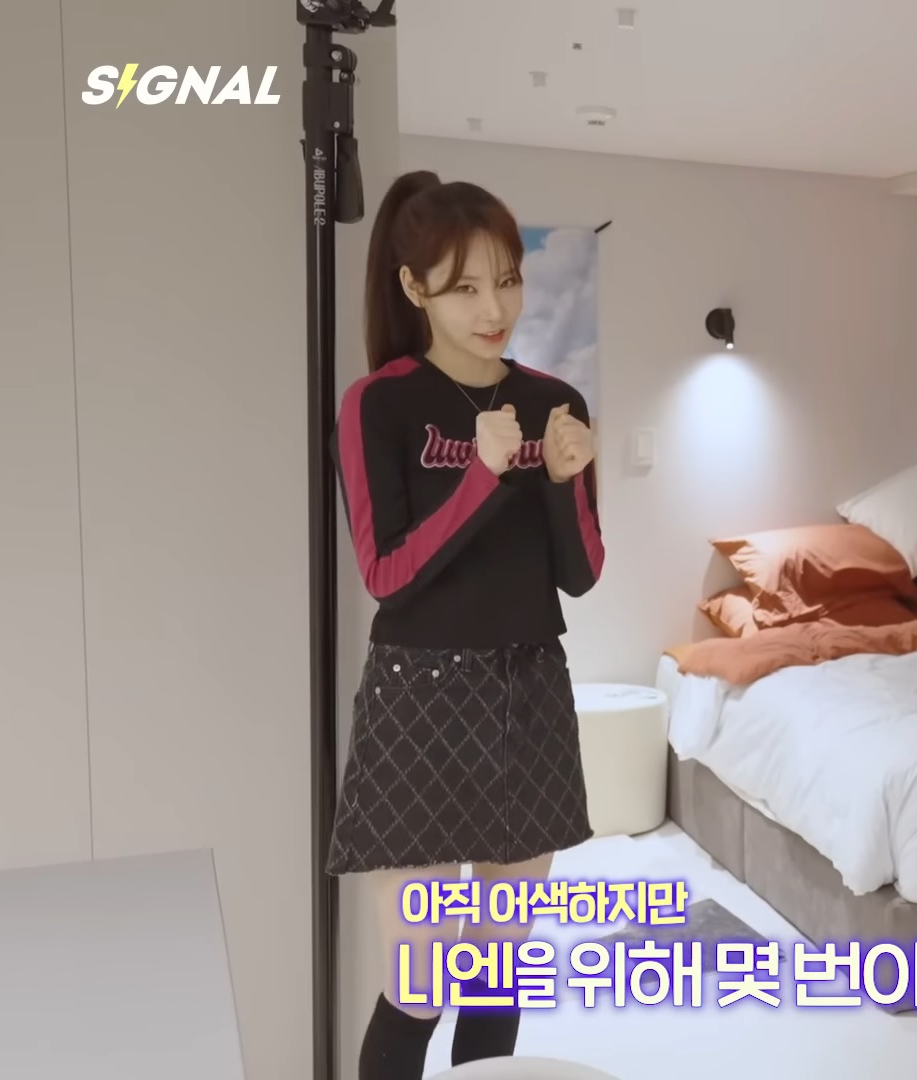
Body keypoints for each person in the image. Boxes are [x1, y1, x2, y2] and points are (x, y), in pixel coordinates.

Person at [327, 170, 605, 1080]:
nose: (495, 309)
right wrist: (482, 478)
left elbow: (581, 574)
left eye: (508, 280)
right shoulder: (379, 403)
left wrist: (563, 482)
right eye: (466, 288)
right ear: (414, 288)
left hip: (528, 694)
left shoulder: (556, 402)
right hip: (418, 702)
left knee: (494, 979)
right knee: (419, 984)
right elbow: (386, 574)